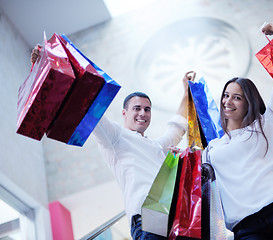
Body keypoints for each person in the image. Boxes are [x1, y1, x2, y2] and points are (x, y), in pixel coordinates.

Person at [30, 47, 194, 239]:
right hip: (147, 220)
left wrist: (186, 90)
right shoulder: (116, 136)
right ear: (124, 113)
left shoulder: (158, 146)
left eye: (147, 110)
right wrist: (45, 64)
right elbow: (88, 107)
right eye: (137, 108)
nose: (143, 113)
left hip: (174, 219)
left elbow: (178, 126)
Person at [203, 22, 273, 240]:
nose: (228, 101)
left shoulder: (267, 122)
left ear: (249, 103)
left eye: (237, 97)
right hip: (246, 227)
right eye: (226, 95)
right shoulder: (212, 149)